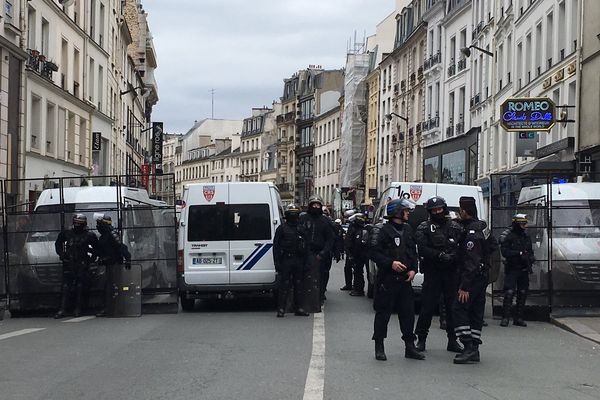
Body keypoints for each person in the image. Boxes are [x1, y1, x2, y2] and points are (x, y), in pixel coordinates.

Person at [369, 198, 424, 361]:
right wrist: (390, 263)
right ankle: (379, 346)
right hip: (387, 279)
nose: (408, 213)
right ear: (397, 212)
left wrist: (414, 269)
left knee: (407, 314)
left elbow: (413, 251)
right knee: (383, 314)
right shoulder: (382, 230)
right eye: (405, 211)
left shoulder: (408, 230)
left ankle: (410, 347)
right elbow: (373, 252)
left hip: (405, 280)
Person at [414, 196, 464, 353]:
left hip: (450, 273)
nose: (437, 212)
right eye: (434, 210)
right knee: (427, 308)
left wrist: (452, 256)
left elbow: (461, 247)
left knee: (451, 308)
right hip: (433, 271)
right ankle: (421, 340)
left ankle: (452, 340)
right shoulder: (424, 227)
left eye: (439, 209)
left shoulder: (455, 226)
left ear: (445, 209)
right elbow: (421, 248)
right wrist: (438, 255)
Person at [452, 197, 497, 364]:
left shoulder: (471, 233)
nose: (459, 212)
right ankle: (475, 349)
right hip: (482, 276)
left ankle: (468, 345)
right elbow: (493, 247)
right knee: (476, 312)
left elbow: (471, 261)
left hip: (471, 279)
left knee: (459, 308)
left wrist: (464, 286)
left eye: (460, 209)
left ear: (464, 210)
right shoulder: (483, 227)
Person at [54, 214, 99, 319]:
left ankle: (78, 309)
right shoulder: (67, 233)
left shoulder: (89, 235)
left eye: (80, 223)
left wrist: (92, 258)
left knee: (80, 286)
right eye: (76, 223)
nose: (78, 225)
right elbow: (58, 243)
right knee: (65, 286)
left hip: (82, 263)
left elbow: (97, 248)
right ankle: (63, 309)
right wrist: (62, 254)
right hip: (69, 262)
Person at [299, 195, 334, 312]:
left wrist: (323, 253)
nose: (315, 207)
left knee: (322, 276)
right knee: (304, 277)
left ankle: (319, 296)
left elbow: (330, 239)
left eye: (317, 205)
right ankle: (304, 300)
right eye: (313, 205)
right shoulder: (303, 219)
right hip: (305, 253)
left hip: (320, 254)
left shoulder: (326, 221)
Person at [273, 204, 309, 317]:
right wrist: (277, 263)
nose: (293, 216)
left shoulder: (301, 228)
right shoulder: (282, 228)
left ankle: (299, 308)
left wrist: (306, 261)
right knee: (284, 285)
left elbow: (307, 246)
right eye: (291, 214)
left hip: (298, 259)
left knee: (299, 285)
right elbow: (276, 247)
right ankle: (281, 309)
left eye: (295, 214)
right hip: (286, 260)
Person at [499, 213, 535, 327]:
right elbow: (505, 252)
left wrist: (530, 258)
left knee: (523, 292)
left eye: (525, 223)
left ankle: (518, 318)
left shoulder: (526, 237)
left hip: (524, 268)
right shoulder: (509, 236)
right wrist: (518, 253)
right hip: (512, 268)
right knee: (509, 292)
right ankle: (505, 318)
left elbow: (530, 251)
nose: (525, 226)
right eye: (522, 224)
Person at [95, 214, 132, 317]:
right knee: (106, 287)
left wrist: (128, 258)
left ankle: (114, 308)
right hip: (106, 265)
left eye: (99, 224)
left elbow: (121, 247)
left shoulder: (112, 234)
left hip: (114, 264)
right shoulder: (103, 236)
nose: (97, 227)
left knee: (112, 287)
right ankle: (109, 307)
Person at [345, 213, 370, 297]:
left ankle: (358, 289)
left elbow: (357, 244)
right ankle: (357, 288)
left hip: (359, 254)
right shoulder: (360, 229)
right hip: (359, 254)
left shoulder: (360, 230)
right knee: (358, 271)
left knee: (358, 271)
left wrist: (353, 254)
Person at [340, 209, 356, 290]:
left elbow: (350, 240)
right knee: (349, 268)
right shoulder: (351, 226)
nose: (345, 219)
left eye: (346, 217)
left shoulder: (353, 227)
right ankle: (350, 284)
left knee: (352, 268)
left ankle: (352, 285)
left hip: (352, 251)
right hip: (351, 250)